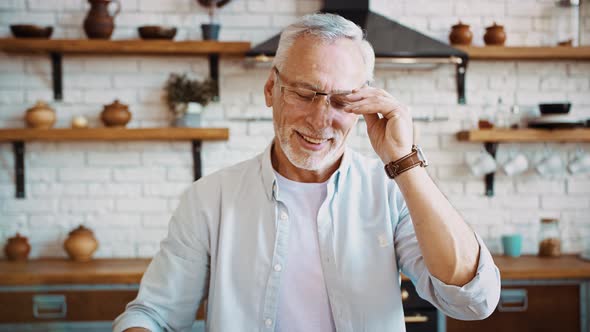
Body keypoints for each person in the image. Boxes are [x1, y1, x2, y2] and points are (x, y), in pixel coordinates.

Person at [113, 13, 500, 332]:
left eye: (342, 101)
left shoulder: (390, 191)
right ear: (271, 89)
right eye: (303, 93)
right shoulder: (209, 200)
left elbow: (472, 298)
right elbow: (154, 315)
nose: (320, 120)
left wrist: (405, 161)